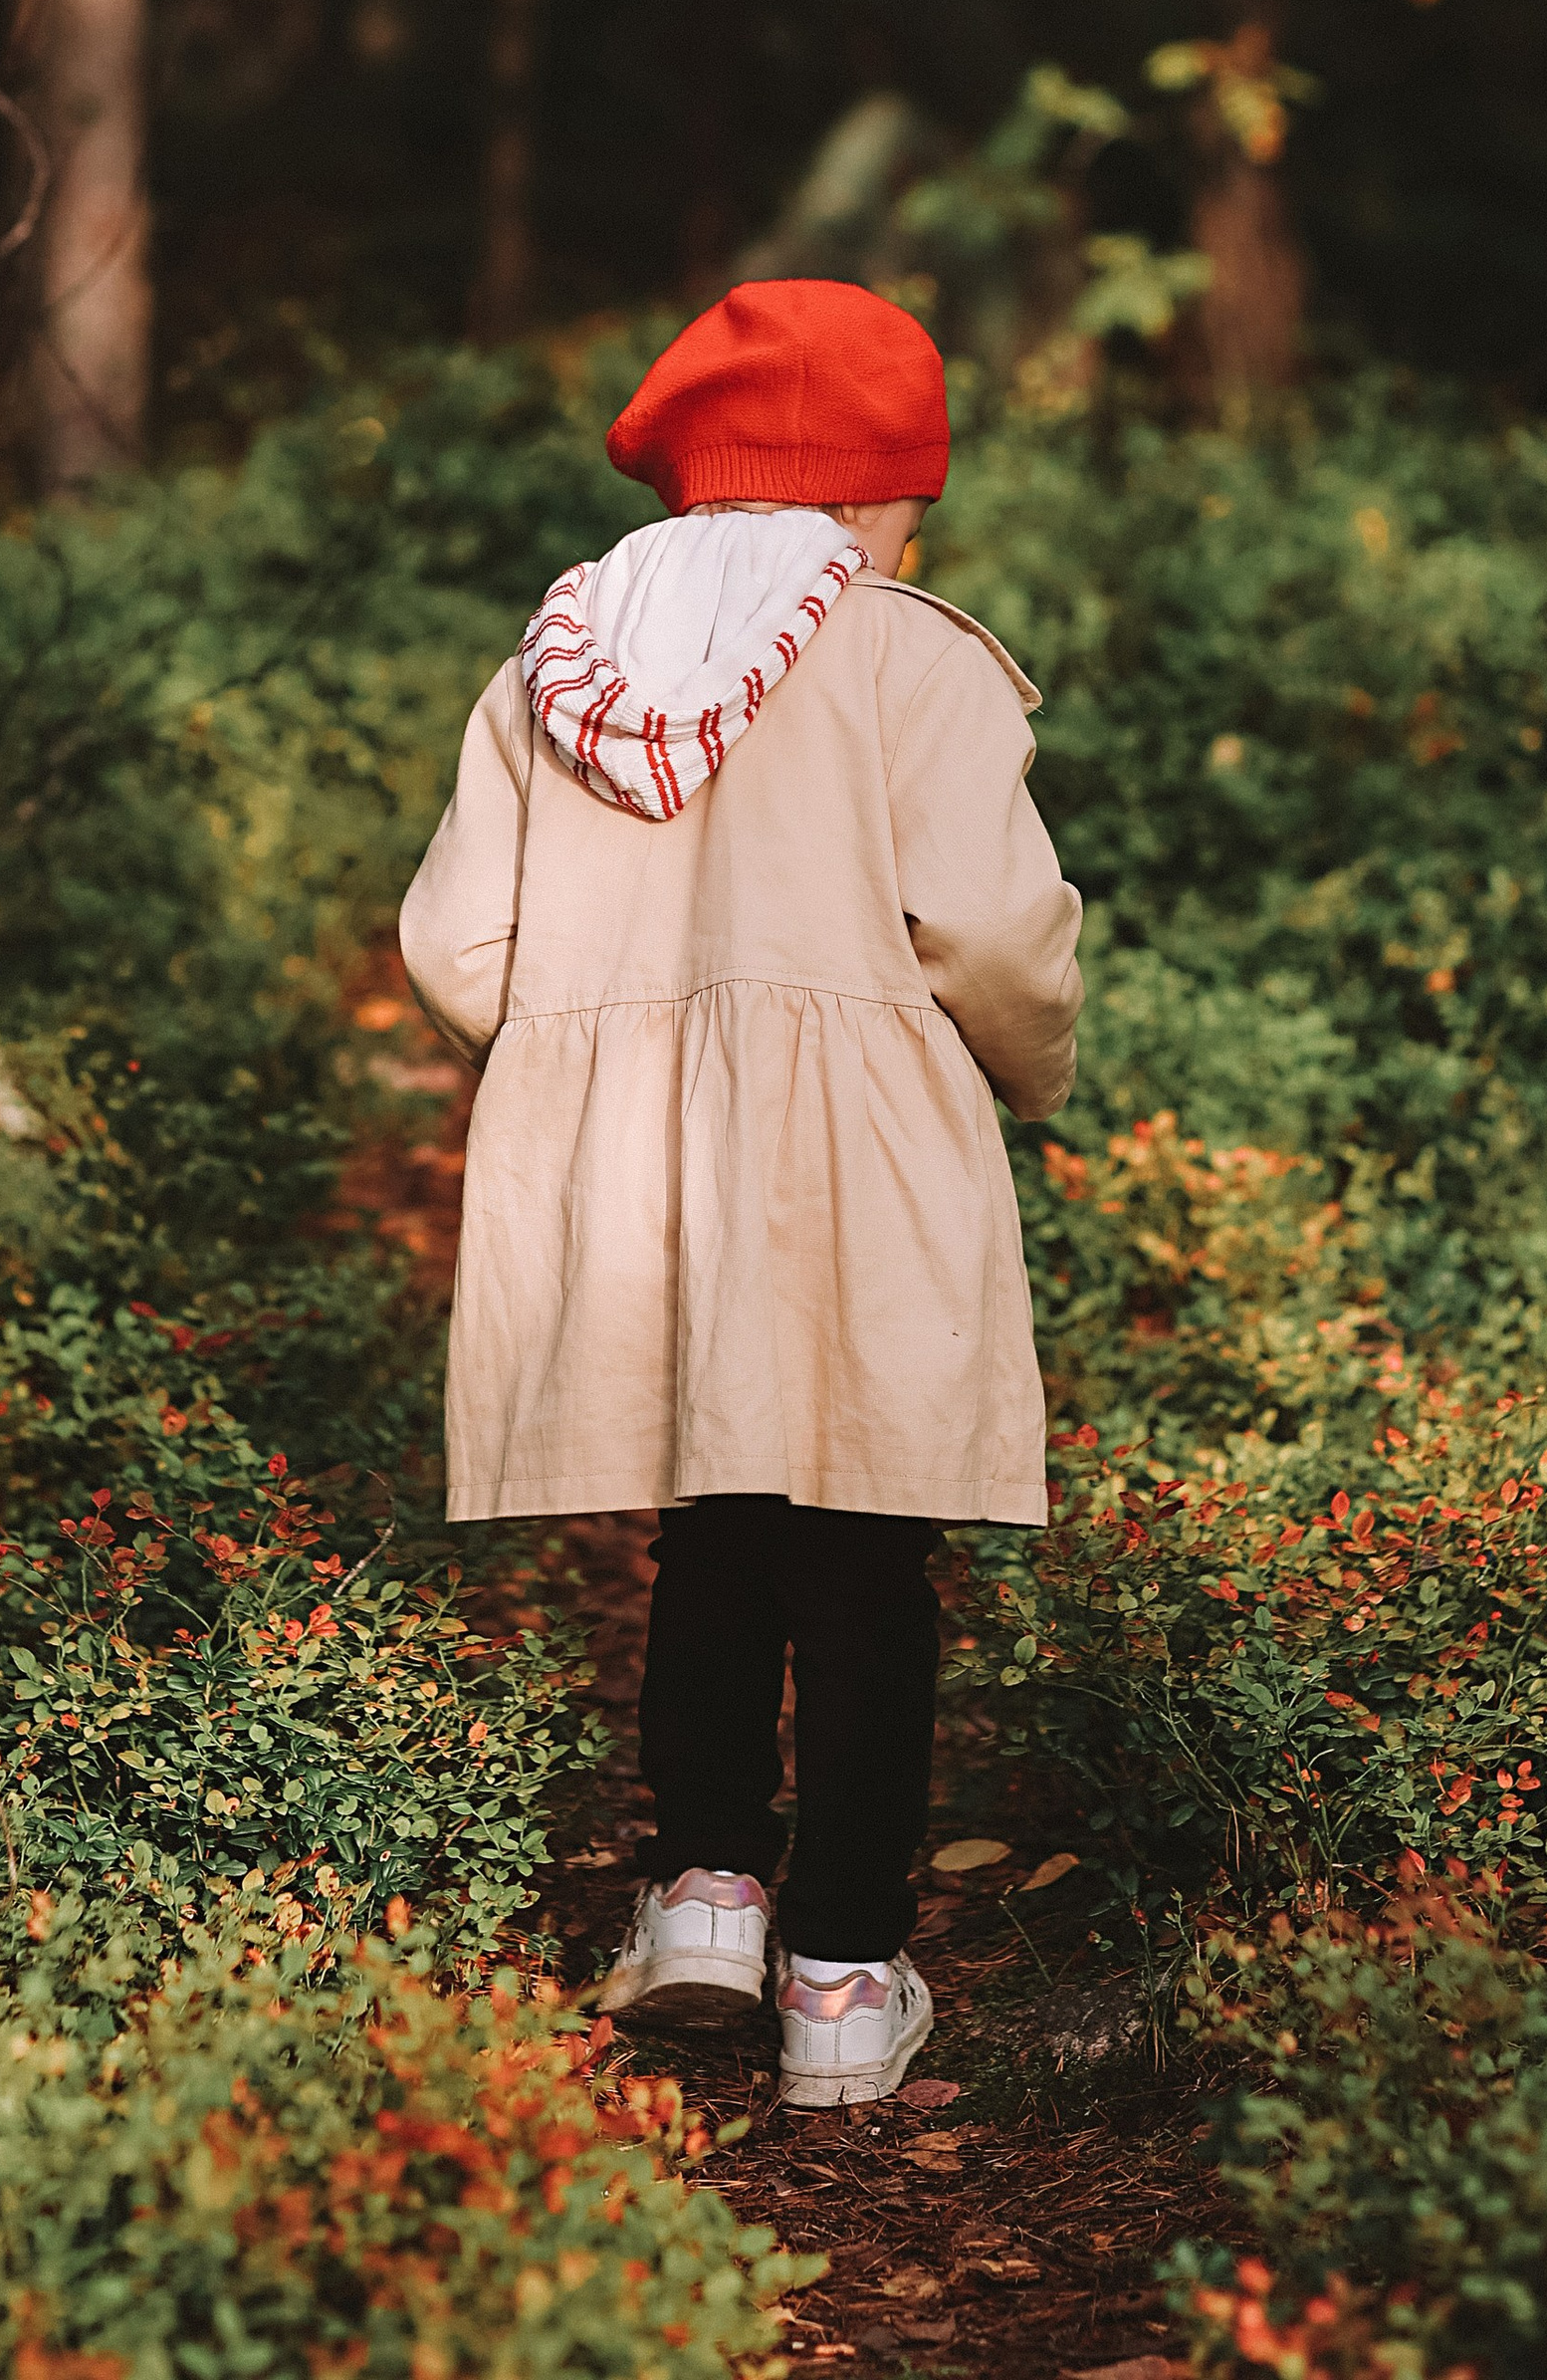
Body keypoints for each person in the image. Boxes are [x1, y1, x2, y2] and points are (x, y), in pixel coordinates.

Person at [399, 279, 1081, 2108]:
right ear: (867, 494)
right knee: (866, 1549)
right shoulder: (913, 658)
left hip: (644, 1151)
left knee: (708, 1524)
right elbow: (993, 929)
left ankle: (704, 1895)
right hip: (860, 1149)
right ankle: (843, 1980)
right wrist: (1028, 1067)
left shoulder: (558, 664)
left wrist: (577, 1056)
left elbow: (457, 945)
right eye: (910, 506)